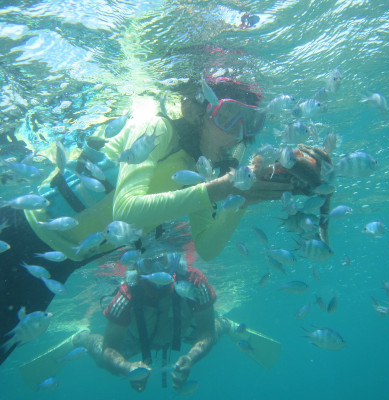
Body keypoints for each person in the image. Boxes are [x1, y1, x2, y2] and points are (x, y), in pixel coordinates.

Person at [0, 73, 323, 364]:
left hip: (59, 266)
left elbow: (208, 247)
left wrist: (239, 201)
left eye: (250, 123)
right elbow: (125, 209)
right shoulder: (155, 128)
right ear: (199, 112)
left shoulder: (203, 169)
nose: (238, 135)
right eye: (228, 117)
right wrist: (220, 188)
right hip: (15, 233)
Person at [72, 252, 228, 392]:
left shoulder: (193, 281)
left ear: (173, 258)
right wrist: (128, 368)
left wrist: (191, 358)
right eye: (148, 263)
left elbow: (207, 331)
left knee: (214, 332)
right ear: (138, 267)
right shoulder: (126, 295)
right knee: (102, 359)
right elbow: (109, 349)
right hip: (136, 338)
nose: (157, 268)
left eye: (162, 260)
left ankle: (227, 324)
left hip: (182, 330)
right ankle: (83, 337)